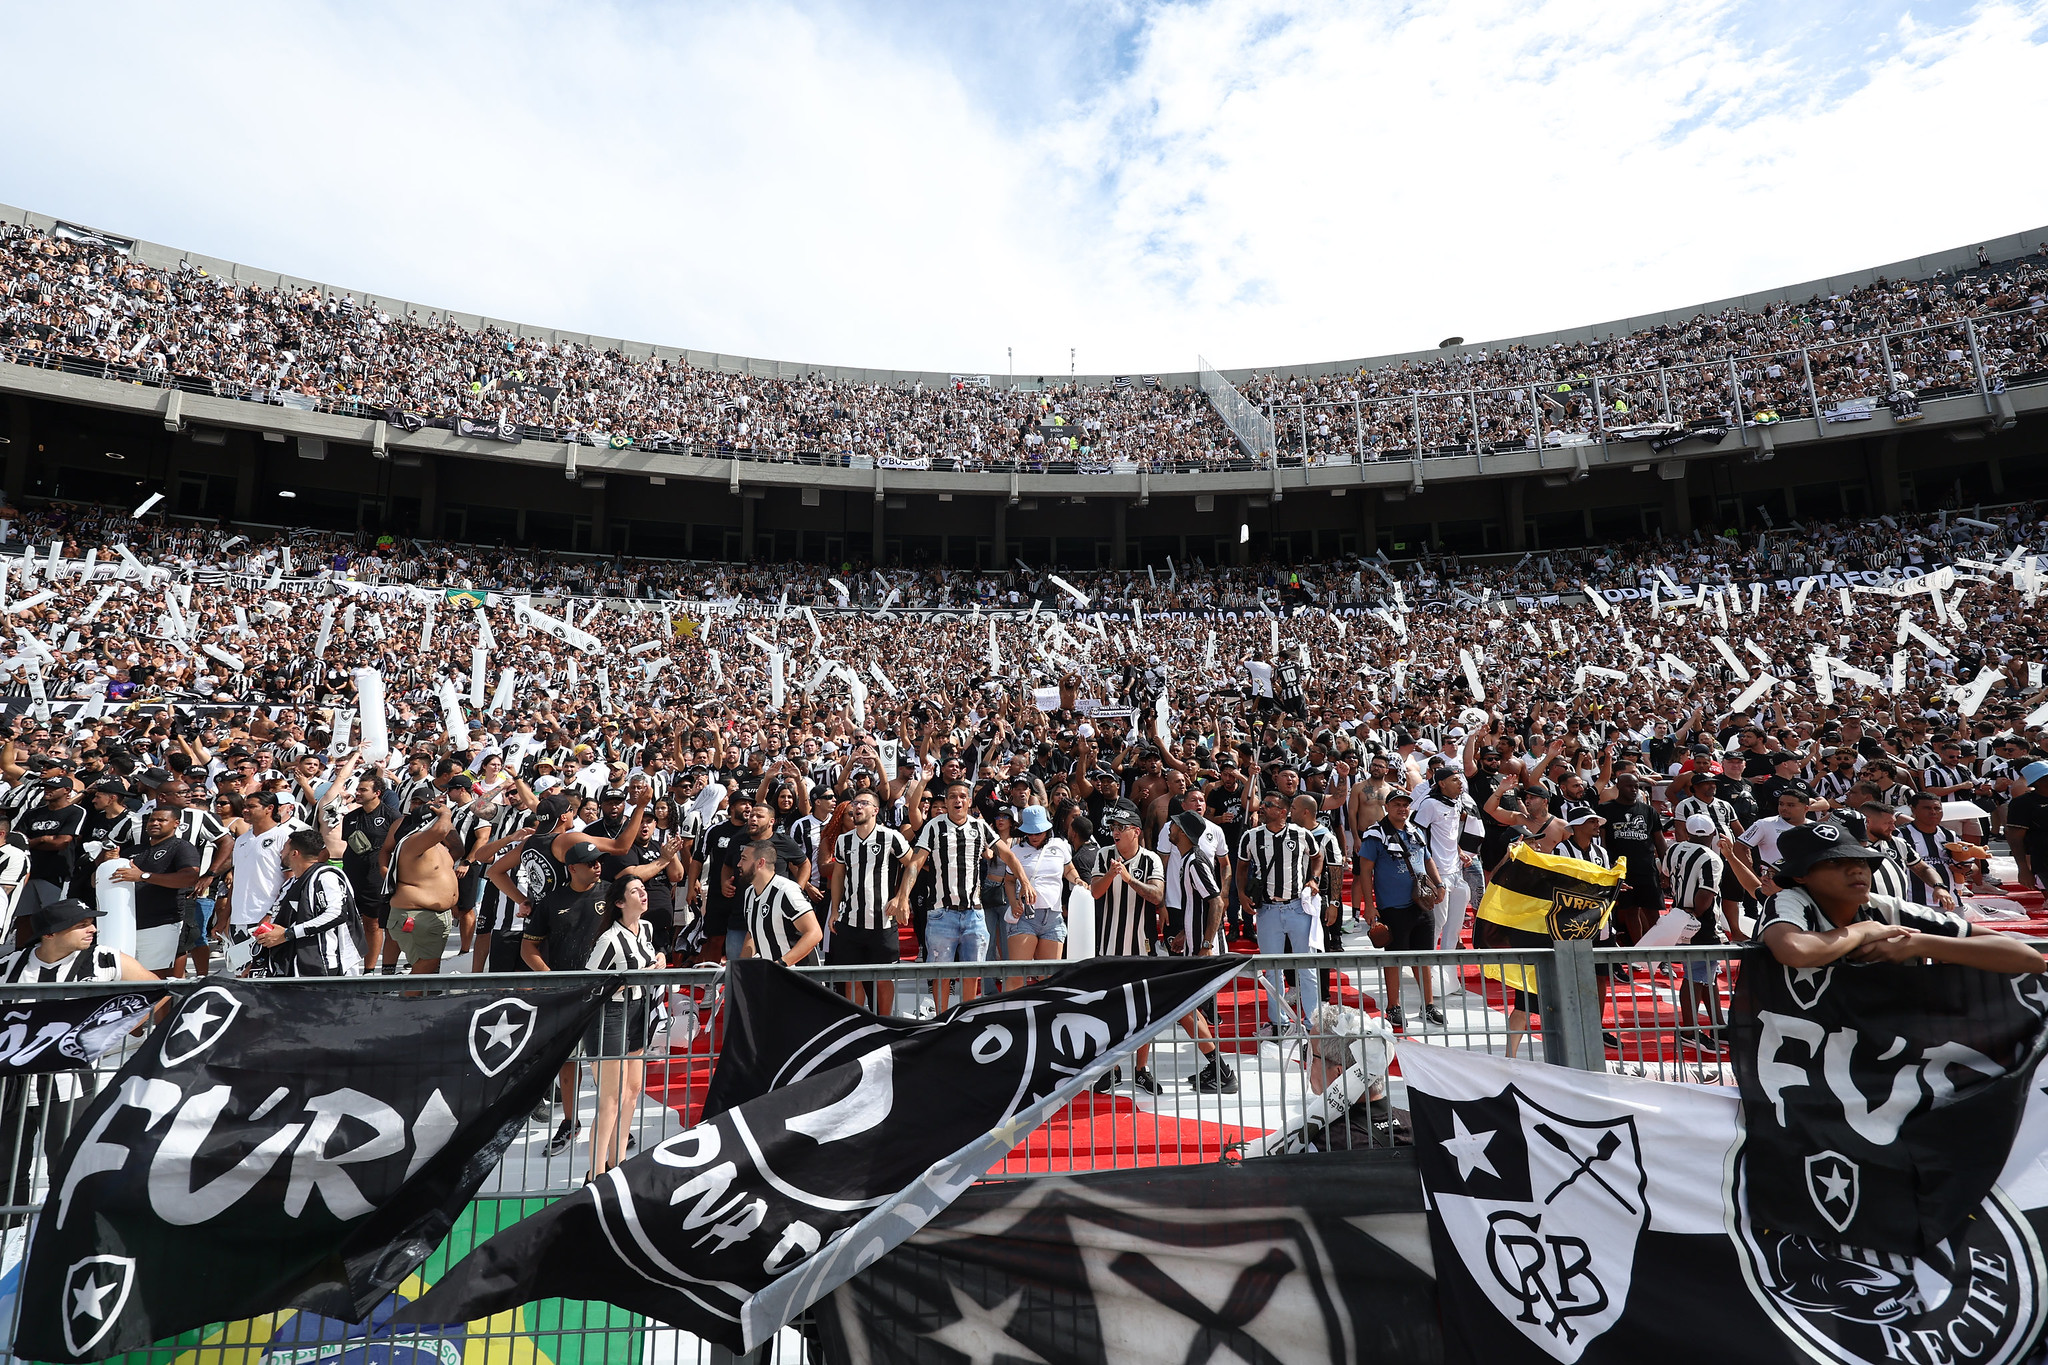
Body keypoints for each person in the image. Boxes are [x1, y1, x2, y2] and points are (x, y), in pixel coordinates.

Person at [2, 898, 159, 1227]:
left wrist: (126, 1027)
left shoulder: (104, 959)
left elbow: (160, 990)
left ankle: (68, 1234)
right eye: (82, 925)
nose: (93, 929)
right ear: (51, 934)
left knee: (69, 1164)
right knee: (7, 1168)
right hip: (13, 1086)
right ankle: (9, 1239)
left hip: (69, 1083)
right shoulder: (10, 966)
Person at [1757, 823, 2044, 975]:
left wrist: (1919, 943)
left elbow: (2029, 958)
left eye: (1860, 859)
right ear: (1800, 876)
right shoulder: (1791, 901)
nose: (1856, 868)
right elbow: (1794, 950)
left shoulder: (1887, 908)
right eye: (1833, 863)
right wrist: (1864, 930)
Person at [908, 778, 1031, 1014]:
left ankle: (966, 1021)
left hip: (974, 912)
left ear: (969, 801)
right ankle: (942, 1022)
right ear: (946, 801)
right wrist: (903, 897)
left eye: (962, 796)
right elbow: (915, 863)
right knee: (941, 975)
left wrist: (1025, 881)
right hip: (942, 913)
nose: (958, 800)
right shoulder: (934, 826)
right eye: (953, 796)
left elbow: (1009, 856)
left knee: (972, 973)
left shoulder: (980, 827)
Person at [522, 840, 609, 1157]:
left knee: (606, 1064)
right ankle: (571, 1123)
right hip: (569, 994)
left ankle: (609, 1123)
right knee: (569, 1063)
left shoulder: (613, 893)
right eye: (590, 862)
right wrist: (550, 976)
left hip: (607, 991)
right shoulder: (551, 901)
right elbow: (528, 948)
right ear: (573, 868)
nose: (597, 865)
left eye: (599, 860)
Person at [585, 872, 661, 1182]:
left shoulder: (646, 928)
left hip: (637, 1012)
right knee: (611, 1098)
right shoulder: (609, 940)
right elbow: (590, 986)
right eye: (635, 891)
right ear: (619, 902)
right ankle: (596, 1172)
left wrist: (658, 959)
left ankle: (618, 1162)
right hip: (610, 1017)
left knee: (632, 1091)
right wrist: (634, 977)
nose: (643, 894)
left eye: (643, 889)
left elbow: (649, 959)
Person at [1088, 802, 1166, 1093]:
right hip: (1109, 944)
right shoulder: (1103, 855)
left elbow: (1157, 896)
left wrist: (1129, 878)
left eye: (1120, 828)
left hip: (1142, 944)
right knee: (1111, 1009)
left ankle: (1141, 1068)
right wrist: (1111, 874)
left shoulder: (1151, 860)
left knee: (1144, 1010)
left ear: (1135, 831)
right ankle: (1113, 1068)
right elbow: (1096, 892)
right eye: (1112, 827)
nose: (1114, 832)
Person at [1161, 810, 1238, 1093]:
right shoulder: (1189, 860)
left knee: (1185, 1009)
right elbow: (1201, 905)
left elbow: (1216, 903)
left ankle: (1222, 1071)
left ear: (1182, 832)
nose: (1170, 827)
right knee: (1190, 1010)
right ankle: (1217, 1068)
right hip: (1196, 944)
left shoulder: (1194, 861)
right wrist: (1185, 934)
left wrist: (1205, 945)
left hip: (1204, 947)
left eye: (1174, 825)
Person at [1236, 789, 1324, 1037]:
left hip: (1298, 907)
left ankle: (1313, 1023)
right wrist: (1242, 893)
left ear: (1283, 812)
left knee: (1307, 968)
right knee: (1272, 969)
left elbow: (1318, 856)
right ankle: (1279, 1023)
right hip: (1267, 910)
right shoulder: (1251, 837)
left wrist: (1314, 879)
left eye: (1268, 805)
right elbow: (1241, 866)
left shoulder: (1302, 834)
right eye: (1263, 804)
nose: (1262, 807)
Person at [1356, 791, 1442, 1032]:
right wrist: (1370, 906)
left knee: (1424, 957)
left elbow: (1428, 860)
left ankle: (1429, 1005)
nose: (1402, 808)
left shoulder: (1416, 831)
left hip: (1422, 904)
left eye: (1405, 805)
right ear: (1387, 806)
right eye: (1397, 804)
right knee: (1394, 959)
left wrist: (1440, 884)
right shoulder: (1375, 834)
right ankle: (1393, 1006)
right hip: (1392, 907)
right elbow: (1365, 871)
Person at [828, 789, 911, 1015]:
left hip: (882, 922)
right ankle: (857, 1027)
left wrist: (901, 897)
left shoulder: (890, 836)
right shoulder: (844, 841)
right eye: (855, 803)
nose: (857, 807)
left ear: (875, 810)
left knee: (884, 979)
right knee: (852, 978)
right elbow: (838, 875)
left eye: (863, 803)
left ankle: (884, 1025)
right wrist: (834, 910)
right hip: (850, 920)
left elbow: (912, 864)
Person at [254, 827, 364, 976]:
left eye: (284, 848)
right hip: (292, 964)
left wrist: (288, 934)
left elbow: (337, 914)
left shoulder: (327, 877)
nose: (280, 852)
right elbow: (276, 922)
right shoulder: (290, 883)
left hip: (325, 965)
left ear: (294, 853)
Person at [110, 805, 202, 973]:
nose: (155, 823)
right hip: (126, 925)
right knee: (123, 976)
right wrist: (107, 863)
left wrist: (143, 876)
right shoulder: (133, 850)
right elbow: (98, 882)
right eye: (152, 820)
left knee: (154, 978)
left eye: (162, 820)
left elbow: (190, 877)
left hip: (161, 924)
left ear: (176, 823)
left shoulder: (181, 847)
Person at [1005, 805, 1074, 991]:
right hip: (1025, 918)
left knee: (1051, 980)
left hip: (1053, 917)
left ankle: (1045, 1019)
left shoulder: (1060, 845)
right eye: (1030, 832)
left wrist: (1078, 880)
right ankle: (1008, 1018)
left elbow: (1069, 869)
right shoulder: (1016, 851)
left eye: (1039, 832)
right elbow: (1009, 881)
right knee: (1016, 977)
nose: (1034, 836)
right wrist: (1012, 902)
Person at [742, 838, 823, 967]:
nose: (739, 864)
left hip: (800, 978)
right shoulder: (749, 893)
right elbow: (752, 933)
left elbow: (814, 933)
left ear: (760, 863)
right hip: (773, 978)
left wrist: (781, 964)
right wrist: (742, 968)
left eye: (744, 859)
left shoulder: (786, 891)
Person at [2004, 761, 2048, 893]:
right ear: (2038, 781)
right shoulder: (2022, 803)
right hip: (2044, 862)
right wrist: (2023, 869)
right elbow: (2015, 839)